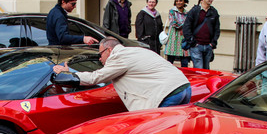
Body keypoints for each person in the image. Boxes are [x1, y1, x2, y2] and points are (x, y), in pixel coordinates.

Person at [53, 37, 191, 111]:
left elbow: (96, 77)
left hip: (168, 94)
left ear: (109, 49)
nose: (100, 59)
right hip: (184, 87)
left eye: (100, 54)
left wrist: (70, 73)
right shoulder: (135, 51)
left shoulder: (119, 56)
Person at [182, 0, 220, 69]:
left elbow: (217, 29)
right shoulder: (194, 11)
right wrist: (193, 43)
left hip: (208, 46)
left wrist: (212, 43)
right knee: (199, 70)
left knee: (206, 70)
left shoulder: (213, 12)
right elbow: (186, 28)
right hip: (196, 46)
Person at [164, 0, 189, 66]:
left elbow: (189, 24)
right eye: (177, 1)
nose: (178, 2)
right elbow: (174, 23)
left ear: (184, 1)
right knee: (170, 63)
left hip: (183, 39)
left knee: (184, 63)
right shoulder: (172, 11)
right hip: (173, 39)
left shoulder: (187, 13)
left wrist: (184, 24)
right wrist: (184, 24)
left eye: (180, 0)